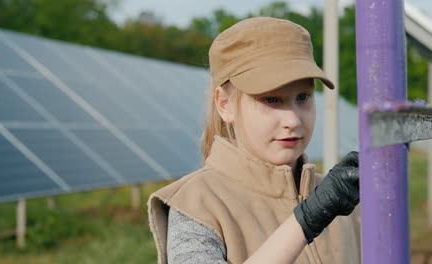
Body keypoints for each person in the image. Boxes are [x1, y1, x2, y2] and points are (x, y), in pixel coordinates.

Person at [148, 17, 360, 264]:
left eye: (303, 97)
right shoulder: (197, 204)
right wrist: (308, 220)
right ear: (224, 105)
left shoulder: (346, 204)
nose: (292, 119)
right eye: (271, 100)